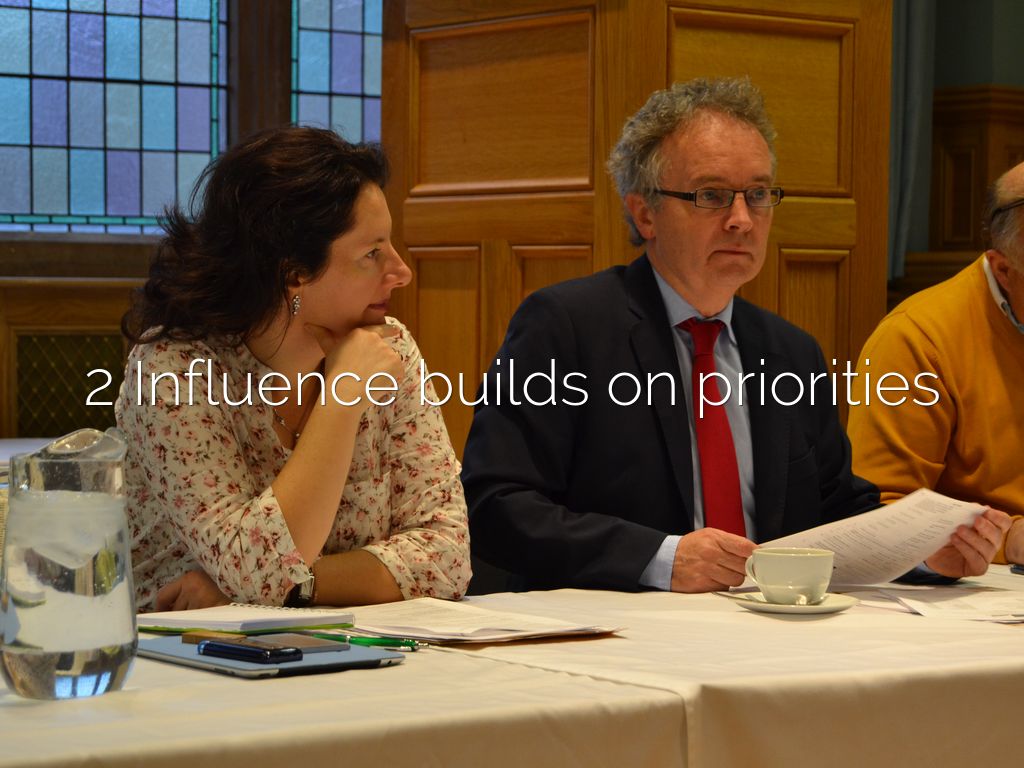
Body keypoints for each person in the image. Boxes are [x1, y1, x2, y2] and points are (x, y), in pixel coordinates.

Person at [461, 77, 1009, 593]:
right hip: (619, 628)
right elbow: (495, 504)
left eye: (759, 194)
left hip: (769, 629)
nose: (743, 219)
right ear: (645, 214)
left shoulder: (790, 352)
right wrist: (662, 559)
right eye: (712, 195)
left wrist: (925, 552)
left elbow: (838, 512)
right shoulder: (566, 326)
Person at [117, 126, 471, 612]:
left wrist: (299, 586)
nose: (401, 271)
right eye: (372, 254)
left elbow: (447, 556)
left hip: (352, 644)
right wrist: (344, 392)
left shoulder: (389, 350)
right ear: (293, 273)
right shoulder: (174, 369)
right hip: (180, 651)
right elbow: (258, 567)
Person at [847, 161, 1024, 566]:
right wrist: (1009, 540)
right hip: (977, 587)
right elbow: (879, 515)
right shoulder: (916, 339)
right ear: (1004, 270)